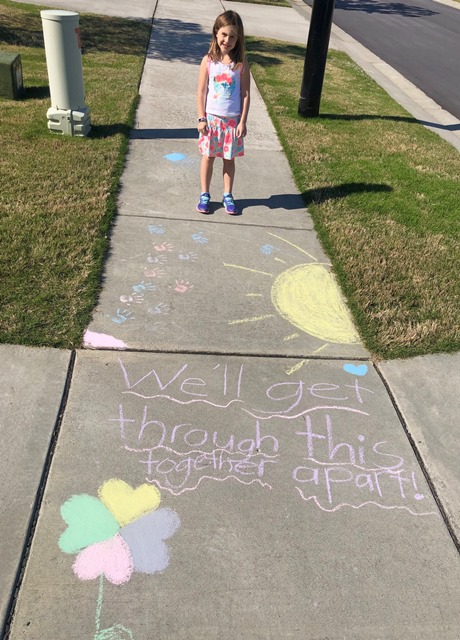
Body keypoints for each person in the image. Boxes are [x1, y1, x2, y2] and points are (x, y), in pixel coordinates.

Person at [196, 10, 250, 215]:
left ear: (239, 38)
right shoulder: (208, 61)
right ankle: (205, 194)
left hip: (232, 122)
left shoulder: (241, 63)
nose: (227, 40)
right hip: (210, 119)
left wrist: (242, 121)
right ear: (216, 33)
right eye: (224, 34)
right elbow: (201, 92)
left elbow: (245, 94)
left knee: (229, 159)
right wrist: (201, 118)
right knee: (208, 157)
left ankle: (228, 195)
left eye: (233, 36)